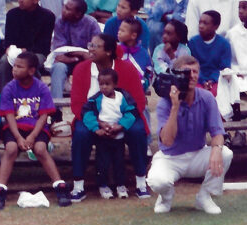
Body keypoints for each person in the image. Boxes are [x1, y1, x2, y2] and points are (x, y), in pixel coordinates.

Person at [147, 55, 233, 215]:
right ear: (177, 75)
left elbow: (218, 132)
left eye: (195, 72)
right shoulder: (165, 103)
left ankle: (204, 196)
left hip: (197, 154)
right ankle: (166, 197)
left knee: (225, 153)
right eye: (187, 72)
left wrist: (216, 149)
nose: (192, 76)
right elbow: (167, 140)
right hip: (171, 158)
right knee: (158, 181)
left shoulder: (207, 98)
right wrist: (175, 107)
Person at [68, 34, 151, 201]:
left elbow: (139, 102)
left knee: (137, 131)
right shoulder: (81, 69)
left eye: (95, 46)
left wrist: (120, 124)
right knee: (81, 134)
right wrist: (98, 123)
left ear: (108, 51)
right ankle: (78, 186)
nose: (90, 48)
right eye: (90, 44)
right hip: (91, 117)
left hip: (124, 117)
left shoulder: (127, 69)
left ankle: (141, 182)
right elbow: (77, 104)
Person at [0, 51, 71, 210]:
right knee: (11, 148)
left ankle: (59, 187)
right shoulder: (9, 88)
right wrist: (19, 138)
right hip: (15, 128)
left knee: (40, 149)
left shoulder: (41, 87)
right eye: (14, 66)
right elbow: (9, 116)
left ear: (32, 70)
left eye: (20, 67)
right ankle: (0, 189)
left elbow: (44, 115)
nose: (14, 70)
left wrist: (33, 136)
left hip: (36, 128)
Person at [81, 68, 140, 199]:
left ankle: (120, 185)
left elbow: (131, 113)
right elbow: (87, 114)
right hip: (103, 137)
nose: (104, 87)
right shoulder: (95, 99)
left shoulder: (122, 97)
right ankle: (103, 186)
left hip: (118, 136)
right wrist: (97, 129)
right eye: (101, 84)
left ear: (115, 85)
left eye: (107, 84)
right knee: (102, 162)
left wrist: (120, 126)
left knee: (119, 161)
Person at [0, 0, 55, 90]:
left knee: (29, 63)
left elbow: (43, 46)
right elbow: (8, 40)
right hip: (15, 53)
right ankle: (5, 97)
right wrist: (9, 49)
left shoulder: (47, 16)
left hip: (37, 53)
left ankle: (35, 96)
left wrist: (26, 50)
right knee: (4, 62)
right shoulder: (12, 14)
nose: (20, 0)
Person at [49, 0, 101, 99]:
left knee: (95, 67)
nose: (63, 10)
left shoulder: (91, 23)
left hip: (88, 62)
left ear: (78, 14)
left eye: (68, 9)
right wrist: (79, 55)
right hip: (68, 61)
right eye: (64, 7)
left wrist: (82, 55)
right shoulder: (60, 22)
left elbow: (95, 50)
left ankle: (91, 106)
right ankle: (56, 108)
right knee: (58, 67)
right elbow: (60, 51)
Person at [188, 10, 232, 95]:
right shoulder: (193, 42)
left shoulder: (224, 44)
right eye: (200, 22)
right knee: (196, 93)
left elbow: (224, 67)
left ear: (216, 26)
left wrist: (211, 81)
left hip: (217, 79)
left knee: (219, 93)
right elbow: (191, 65)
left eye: (205, 23)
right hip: (197, 79)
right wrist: (203, 81)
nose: (201, 26)